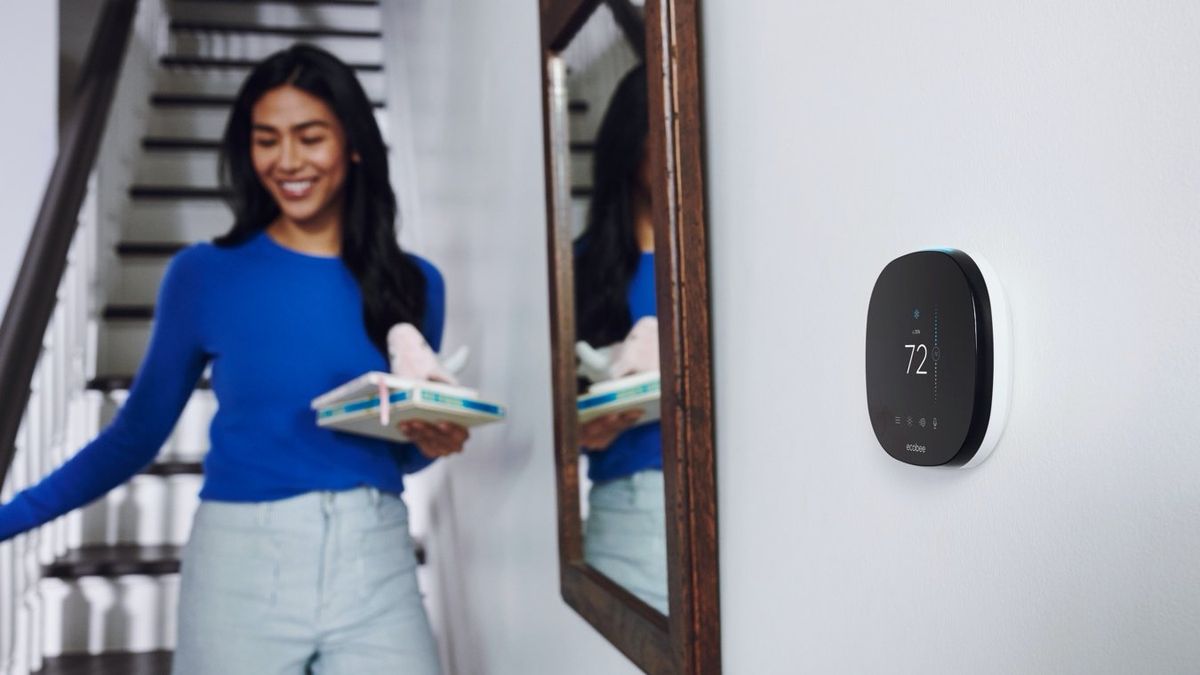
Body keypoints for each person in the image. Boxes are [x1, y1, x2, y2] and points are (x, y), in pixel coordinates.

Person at [0, 45, 462, 674]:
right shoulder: (204, 275)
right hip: (241, 565)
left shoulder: (415, 283)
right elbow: (134, 436)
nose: (288, 161)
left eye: (310, 137)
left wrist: (427, 442)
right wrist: (10, 517)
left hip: (375, 557)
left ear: (353, 144)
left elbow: (395, 454)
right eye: (267, 139)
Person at [573, 64, 669, 615]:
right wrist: (587, 427)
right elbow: (557, 419)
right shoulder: (579, 272)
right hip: (627, 513)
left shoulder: (721, 260)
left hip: (743, 500)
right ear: (633, 141)